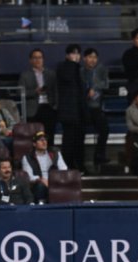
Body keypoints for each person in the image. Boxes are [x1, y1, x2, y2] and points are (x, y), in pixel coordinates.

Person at [18, 48, 57, 146]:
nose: (38, 60)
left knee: (49, 135)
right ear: (30, 60)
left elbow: (56, 91)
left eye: (40, 57)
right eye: (35, 58)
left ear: (43, 59)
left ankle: (50, 156)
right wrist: (35, 92)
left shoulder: (51, 74)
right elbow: (20, 92)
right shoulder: (25, 75)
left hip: (49, 107)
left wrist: (56, 106)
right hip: (33, 109)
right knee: (34, 137)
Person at [56, 44, 85, 172]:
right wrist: (73, 64)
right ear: (67, 55)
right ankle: (66, 166)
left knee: (79, 140)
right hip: (68, 112)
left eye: (78, 53)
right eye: (73, 53)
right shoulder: (64, 67)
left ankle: (79, 165)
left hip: (79, 112)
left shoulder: (79, 69)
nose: (76, 56)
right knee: (68, 141)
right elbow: (67, 78)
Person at [81, 48, 110, 166]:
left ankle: (99, 155)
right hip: (83, 107)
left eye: (95, 57)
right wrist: (86, 91)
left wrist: (95, 87)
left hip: (96, 106)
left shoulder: (102, 69)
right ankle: (80, 159)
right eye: (90, 57)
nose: (92, 60)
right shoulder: (80, 71)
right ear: (84, 58)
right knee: (79, 133)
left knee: (104, 129)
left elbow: (106, 84)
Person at [21, 131, 68, 204]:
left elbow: (63, 169)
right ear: (34, 144)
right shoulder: (27, 157)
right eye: (41, 140)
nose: (44, 142)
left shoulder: (55, 153)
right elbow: (29, 176)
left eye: (45, 140)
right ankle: (41, 204)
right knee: (40, 186)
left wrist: (53, 181)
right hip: (38, 184)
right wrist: (41, 180)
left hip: (55, 182)